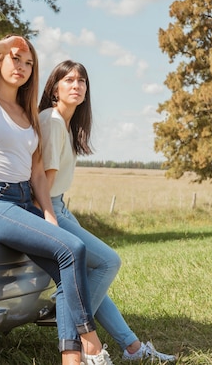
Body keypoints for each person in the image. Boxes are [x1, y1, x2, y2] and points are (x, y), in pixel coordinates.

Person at [0, 37, 113, 365]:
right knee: (74, 249)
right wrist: (3, 43)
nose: (21, 67)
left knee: (67, 271)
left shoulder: (26, 113)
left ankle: (72, 361)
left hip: (24, 201)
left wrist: (49, 214)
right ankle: (91, 343)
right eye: (15, 59)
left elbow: (37, 172)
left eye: (28, 63)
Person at [38, 60, 177, 362]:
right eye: (69, 80)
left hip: (59, 203)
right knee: (107, 263)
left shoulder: (64, 123)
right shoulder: (51, 122)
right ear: (54, 89)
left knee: (89, 279)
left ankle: (133, 348)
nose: (76, 86)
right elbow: (41, 188)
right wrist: (51, 221)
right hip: (47, 207)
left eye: (82, 81)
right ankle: (72, 320)